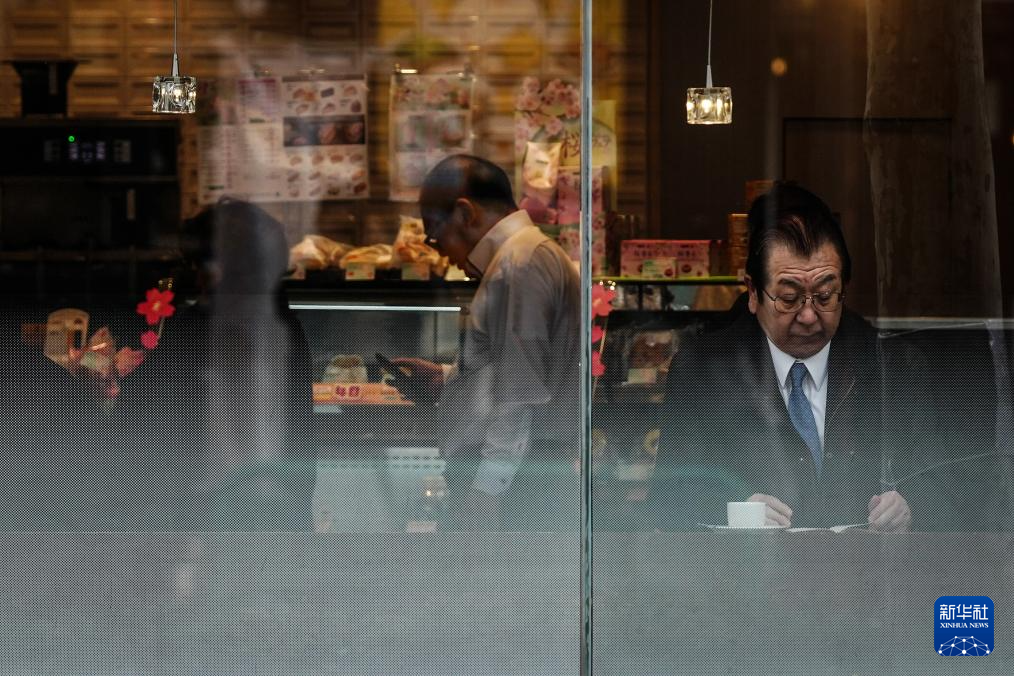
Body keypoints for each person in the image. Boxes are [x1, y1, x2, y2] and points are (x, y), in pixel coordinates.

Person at [650, 182, 933, 531]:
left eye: (825, 296)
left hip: (865, 564)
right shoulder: (703, 372)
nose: (809, 316)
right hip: (751, 566)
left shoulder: (893, 366)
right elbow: (669, 501)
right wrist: (733, 510)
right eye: (788, 298)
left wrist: (910, 507)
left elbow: (949, 487)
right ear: (753, 292)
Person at [391, 154, 581, 531]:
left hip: (519, 485)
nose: (439, 251)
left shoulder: (520, 264)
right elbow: (510, 371)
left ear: (465, 213)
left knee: (502, 570)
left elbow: (520, 393)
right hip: (520, 475)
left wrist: (485, 493)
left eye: (435, 235)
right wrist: (448, 378)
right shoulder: (519, 259)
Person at [119, 198, 315, 530]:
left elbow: (142, 423)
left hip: (208, 518)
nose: (197, 276)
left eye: (199, 264)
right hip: (274, 514)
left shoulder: (202, 329)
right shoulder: (281, 325)